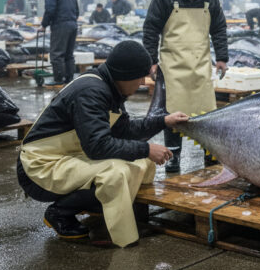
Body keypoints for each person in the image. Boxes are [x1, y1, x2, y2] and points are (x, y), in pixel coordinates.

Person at [17, 41, 188, 247]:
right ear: (124, 76)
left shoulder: (110, 88)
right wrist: (147, 148)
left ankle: (106, 207)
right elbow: (98, 147)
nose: (142, 82)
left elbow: (124, 130)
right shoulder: (91, 91)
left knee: (142, 164)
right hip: (40, 165)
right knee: (114, 173)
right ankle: (59, 213)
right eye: (139, 77)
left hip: (69, 156)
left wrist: (163, 121)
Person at [143, 0, 228, 173]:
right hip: (173, 65)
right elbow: (151, 29)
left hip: (200, 65)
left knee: (207, 114)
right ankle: (173, 156)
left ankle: (211, 156)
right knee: (173, 114)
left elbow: (218, 29)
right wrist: (151, 61)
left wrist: (222, 58)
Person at [42, 0, 80, 86]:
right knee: (69, 54)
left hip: (60, 25)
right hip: (73, 25)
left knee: (57, 54)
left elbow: (50, 10)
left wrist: (44, 25)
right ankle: (69, 78)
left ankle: (58, 79)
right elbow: (77, 11)